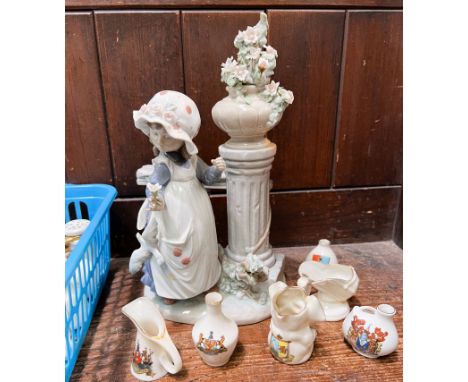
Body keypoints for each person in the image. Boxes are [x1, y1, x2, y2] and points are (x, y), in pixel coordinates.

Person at [129, 90, 224, 304]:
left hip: (197, 209)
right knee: (173, 250)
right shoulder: (163, 165)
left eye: (167, 134)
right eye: (154, 133)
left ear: (183, 137)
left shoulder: (192, 160)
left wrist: (216, 170)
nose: (160, 140)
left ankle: (204, 282)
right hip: (173, 214)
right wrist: (155, 198)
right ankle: (170, 290)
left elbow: (205, 176)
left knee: (201, 245)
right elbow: (153, 187)